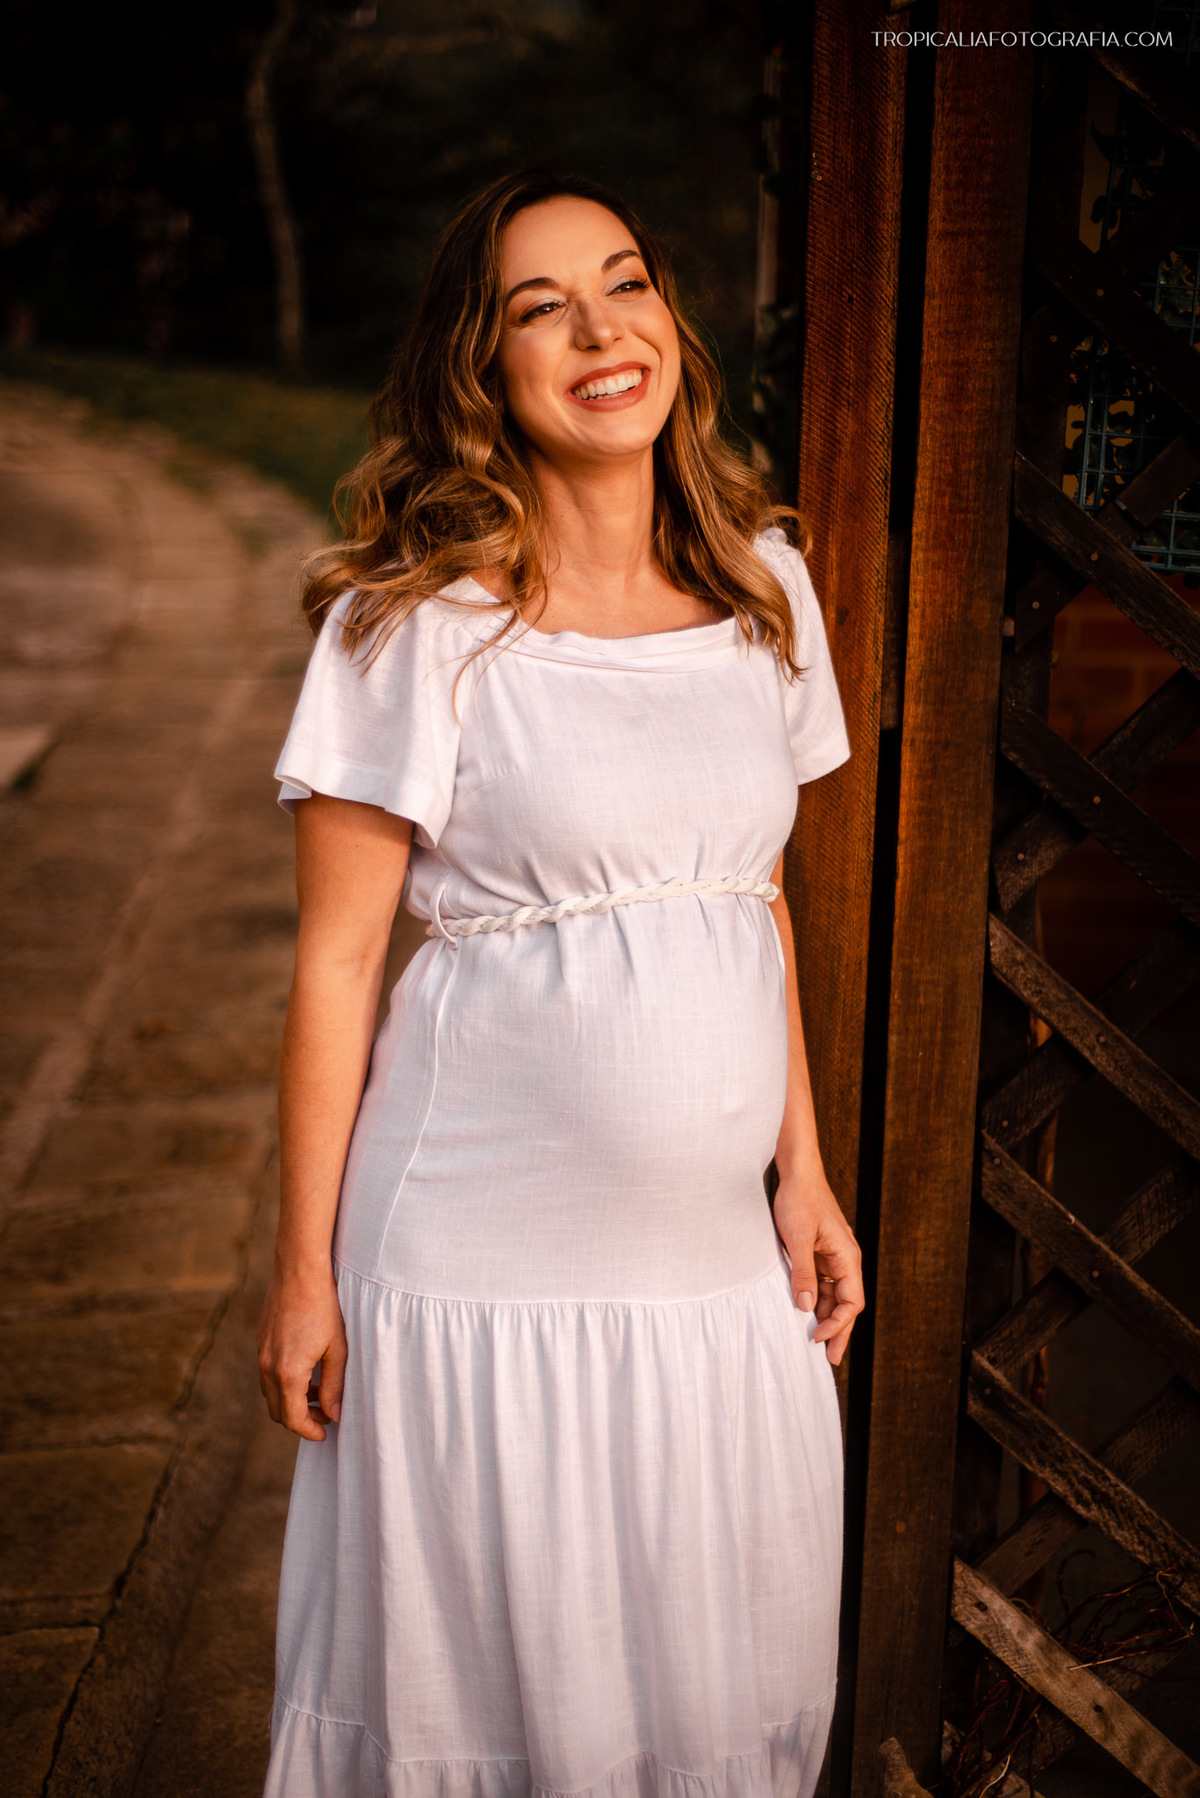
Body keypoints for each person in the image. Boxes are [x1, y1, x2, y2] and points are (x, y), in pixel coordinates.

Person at [257, 167, 864, 1798]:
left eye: (627, 284)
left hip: (712, 1285)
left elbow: (752, 904)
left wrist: (800, 1172)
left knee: (712, 1687)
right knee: (493, 1710)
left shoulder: (767, 589)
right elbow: (333, 964)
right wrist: (304, 1270)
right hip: (476, 1280)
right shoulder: (419, 632)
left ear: (673, 321)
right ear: (484, 367)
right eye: (542, 307)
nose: (602, 331)